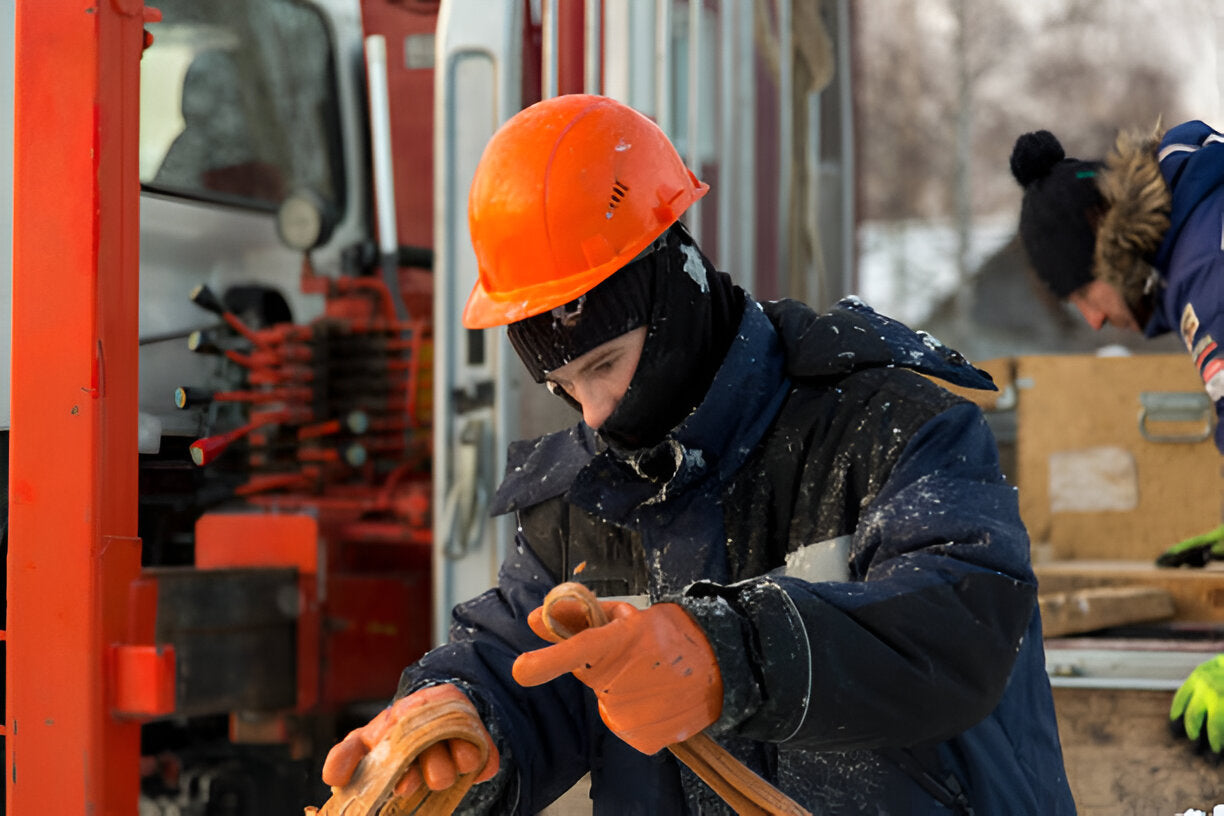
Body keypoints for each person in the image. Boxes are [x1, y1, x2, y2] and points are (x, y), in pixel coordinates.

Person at [319, 93, 1074, 815]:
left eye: (605, 363)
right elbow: (529, 661)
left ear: (674, 285)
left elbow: (964, 618)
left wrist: (728, 655)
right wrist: (463, 714)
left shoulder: (884, 425)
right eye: (563, 383)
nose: (596, 412)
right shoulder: (587, 496)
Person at [1010, 122, 1224, 759]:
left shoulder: (1208, 279)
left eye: (1084, 292)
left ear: (1108, 236)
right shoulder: (1204, 226)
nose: (1095, 318)